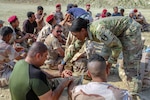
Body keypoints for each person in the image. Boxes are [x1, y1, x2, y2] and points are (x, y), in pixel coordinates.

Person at [58, 17, 143, 98]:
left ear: (82, 30)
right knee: (100, 61)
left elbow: (117, 47)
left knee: (130, 65)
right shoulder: (85, 32)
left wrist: (110, 62)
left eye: (76, 35)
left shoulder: (99, 31)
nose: (76, 38)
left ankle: (134, 93)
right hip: (116, 33)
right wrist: (63, 62)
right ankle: (98, 82)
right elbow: (76, 47)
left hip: (130, 31)